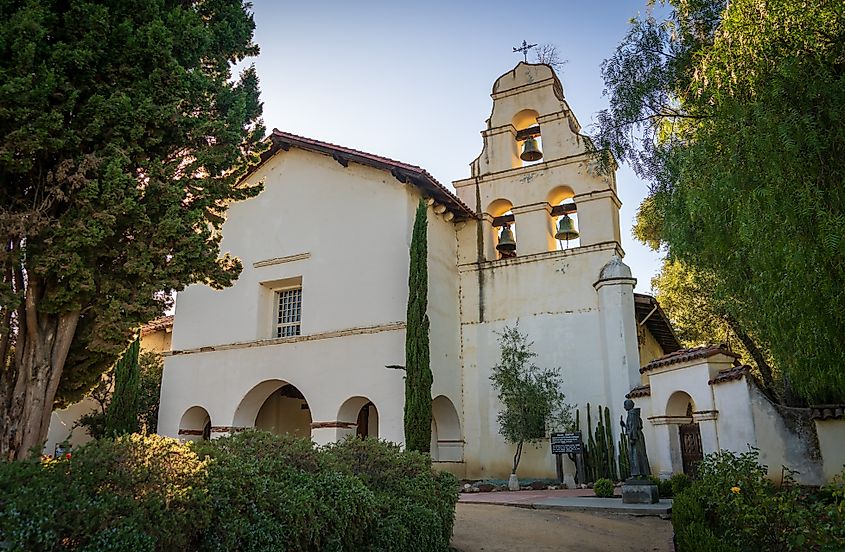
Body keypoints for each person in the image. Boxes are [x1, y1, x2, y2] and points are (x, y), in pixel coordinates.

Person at [620, 399, 651, 478]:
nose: (624, 407)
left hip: (635, 437)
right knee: (638, 455)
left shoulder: (632, 414)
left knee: (635, 456)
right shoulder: (633, 414)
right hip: (637, 436)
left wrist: (632, 438)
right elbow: (634, 426)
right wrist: (624, 425)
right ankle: (643, 473)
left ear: (628, 405)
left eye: (625, 405)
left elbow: (633, 427)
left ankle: (636, 474)